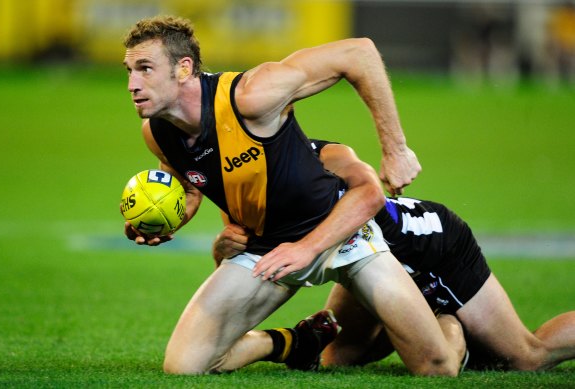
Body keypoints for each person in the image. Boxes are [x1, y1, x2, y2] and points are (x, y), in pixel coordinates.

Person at [121, 15, 466, 376]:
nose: (132, 83)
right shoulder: (157, 133)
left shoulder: (251, 95)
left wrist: (395, 149)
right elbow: (193, 185)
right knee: (184, 366)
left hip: (339, 233)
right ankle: (293, 343)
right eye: (129, 70)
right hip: (267, 248)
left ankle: (452, 326)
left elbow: (359, 53)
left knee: (436, 368)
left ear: (183, 68)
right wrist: (166, 218)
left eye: (145, 68)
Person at [214, 139, 575, 372]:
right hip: (363, 255)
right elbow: (243, 272)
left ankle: (447, 323)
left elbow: (363, 203)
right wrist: (225, 249)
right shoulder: (247, 178)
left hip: (427, 246)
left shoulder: (310, 164)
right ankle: (428, 320)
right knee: (339, 358)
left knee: (526, 358)